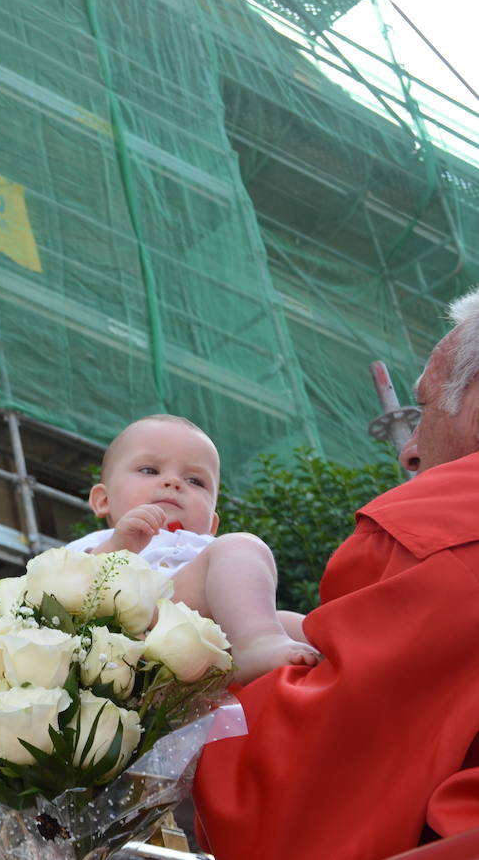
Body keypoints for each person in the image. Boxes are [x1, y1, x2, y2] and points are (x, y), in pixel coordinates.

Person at [194, 286, 479, 859]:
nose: (410, 451)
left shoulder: (443, 527)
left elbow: (302, 815)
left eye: (424, 409)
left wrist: (194, 670)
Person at [69, 415, 318, 682]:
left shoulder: (210, 549)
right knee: (240, 546)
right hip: (146, 625)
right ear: (103, 500)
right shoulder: (99, 541)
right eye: (150, 470)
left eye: (195, 481)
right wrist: (118, 545)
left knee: (298, 624)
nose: (173, 482)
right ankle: (259, 643)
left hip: (215, 635)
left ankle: (304, 648)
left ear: (212, 523)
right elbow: (70, 592)